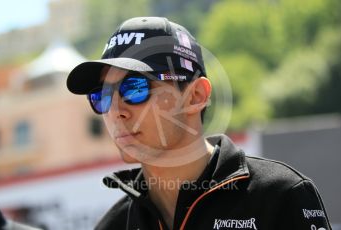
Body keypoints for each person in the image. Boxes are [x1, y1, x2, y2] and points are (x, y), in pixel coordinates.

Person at [66, 17, 331, 230]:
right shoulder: (112, 225)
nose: (114, 111)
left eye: (135, 88)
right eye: (102, 95)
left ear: (196, 96)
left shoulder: (279, 196)